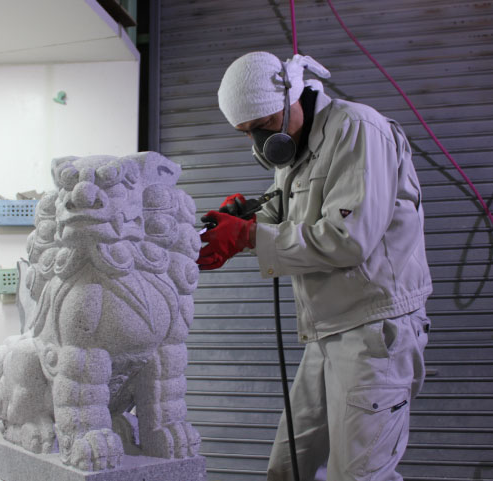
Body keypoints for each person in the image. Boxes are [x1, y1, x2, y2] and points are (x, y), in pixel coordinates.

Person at [196, 51, 433, 481]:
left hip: (374, 331)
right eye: (246, 133)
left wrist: (249, 236)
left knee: (358, 475)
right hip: (326, 331)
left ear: (291, 95)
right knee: (290, 469)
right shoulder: (298, 148)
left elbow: (348, 240)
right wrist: (244, 222)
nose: (259, 144)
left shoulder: (356, 130)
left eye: (264, 127)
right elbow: (291, 220)